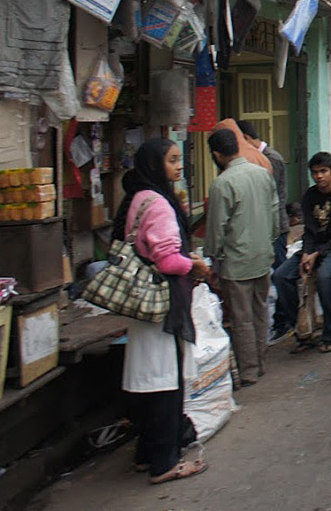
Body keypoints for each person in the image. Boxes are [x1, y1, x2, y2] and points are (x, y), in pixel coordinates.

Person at [117, 139, 209, 484]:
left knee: (151, 382)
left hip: (144, 305)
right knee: (167, 387)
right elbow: (168, 259)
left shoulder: (137, 198)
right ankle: (164, 462)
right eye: (171, 161)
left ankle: (147, 453)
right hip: (162, 304)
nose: (178, 166)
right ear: (156, 165)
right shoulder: (158, 204)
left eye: (178, 159)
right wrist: (195, 266)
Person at [204, 127, 279, 387]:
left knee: (241, 318)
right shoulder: (262, 174)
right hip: (262, 254)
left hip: (237, 261)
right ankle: (260, 361)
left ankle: (249, 370)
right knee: (260, 311)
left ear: (216, 154)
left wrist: (212, 257)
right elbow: (274, 212)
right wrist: (270, 241)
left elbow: (216, 229)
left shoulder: (222, 183)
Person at [271, 152, 331, 352]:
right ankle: (302, 332)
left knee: (325, 276)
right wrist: (307, 252)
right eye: (315, 173)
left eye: (323, 171)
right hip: (315, 247)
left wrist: (318, 252)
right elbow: (309, 231)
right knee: (281, 276)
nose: (319, 177)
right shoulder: (309, 196)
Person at [236, 120, 289, 268]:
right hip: (263, 225)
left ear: (246, 139)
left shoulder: (271, 158)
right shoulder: (258, 158)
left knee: (279, 271)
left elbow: (272, 195)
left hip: (275, 225)